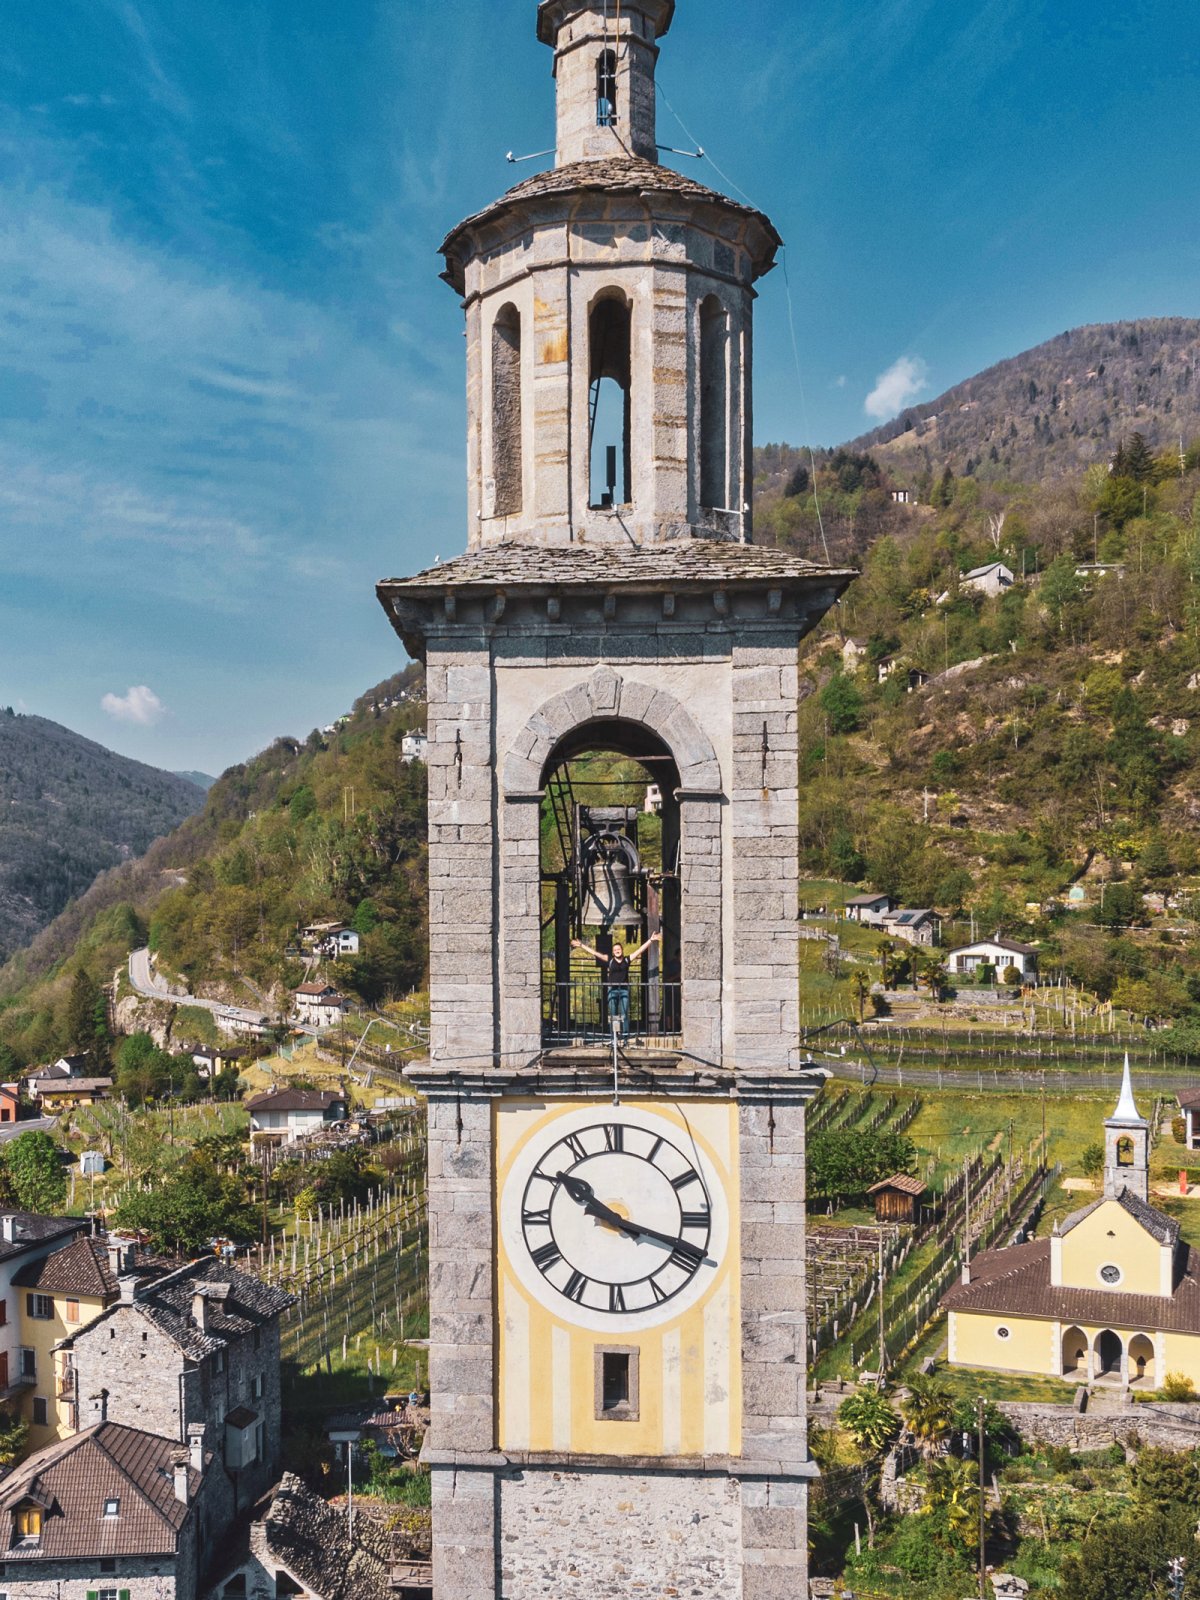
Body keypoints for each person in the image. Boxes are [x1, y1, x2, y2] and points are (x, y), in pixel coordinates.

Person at [571, 931, 661, 1036]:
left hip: (624, 990)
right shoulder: (609, 960)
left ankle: (625, 1035)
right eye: (615, 950)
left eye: (619, 949)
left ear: (622, 950)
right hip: (612, 990)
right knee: (613, 1014)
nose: (617, 951)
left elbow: (640, 950)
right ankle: (613, 1036)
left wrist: (651, 940)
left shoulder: (627, 960)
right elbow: (595, 953)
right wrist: (581, 945)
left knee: (624, 1014)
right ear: (613, 952)